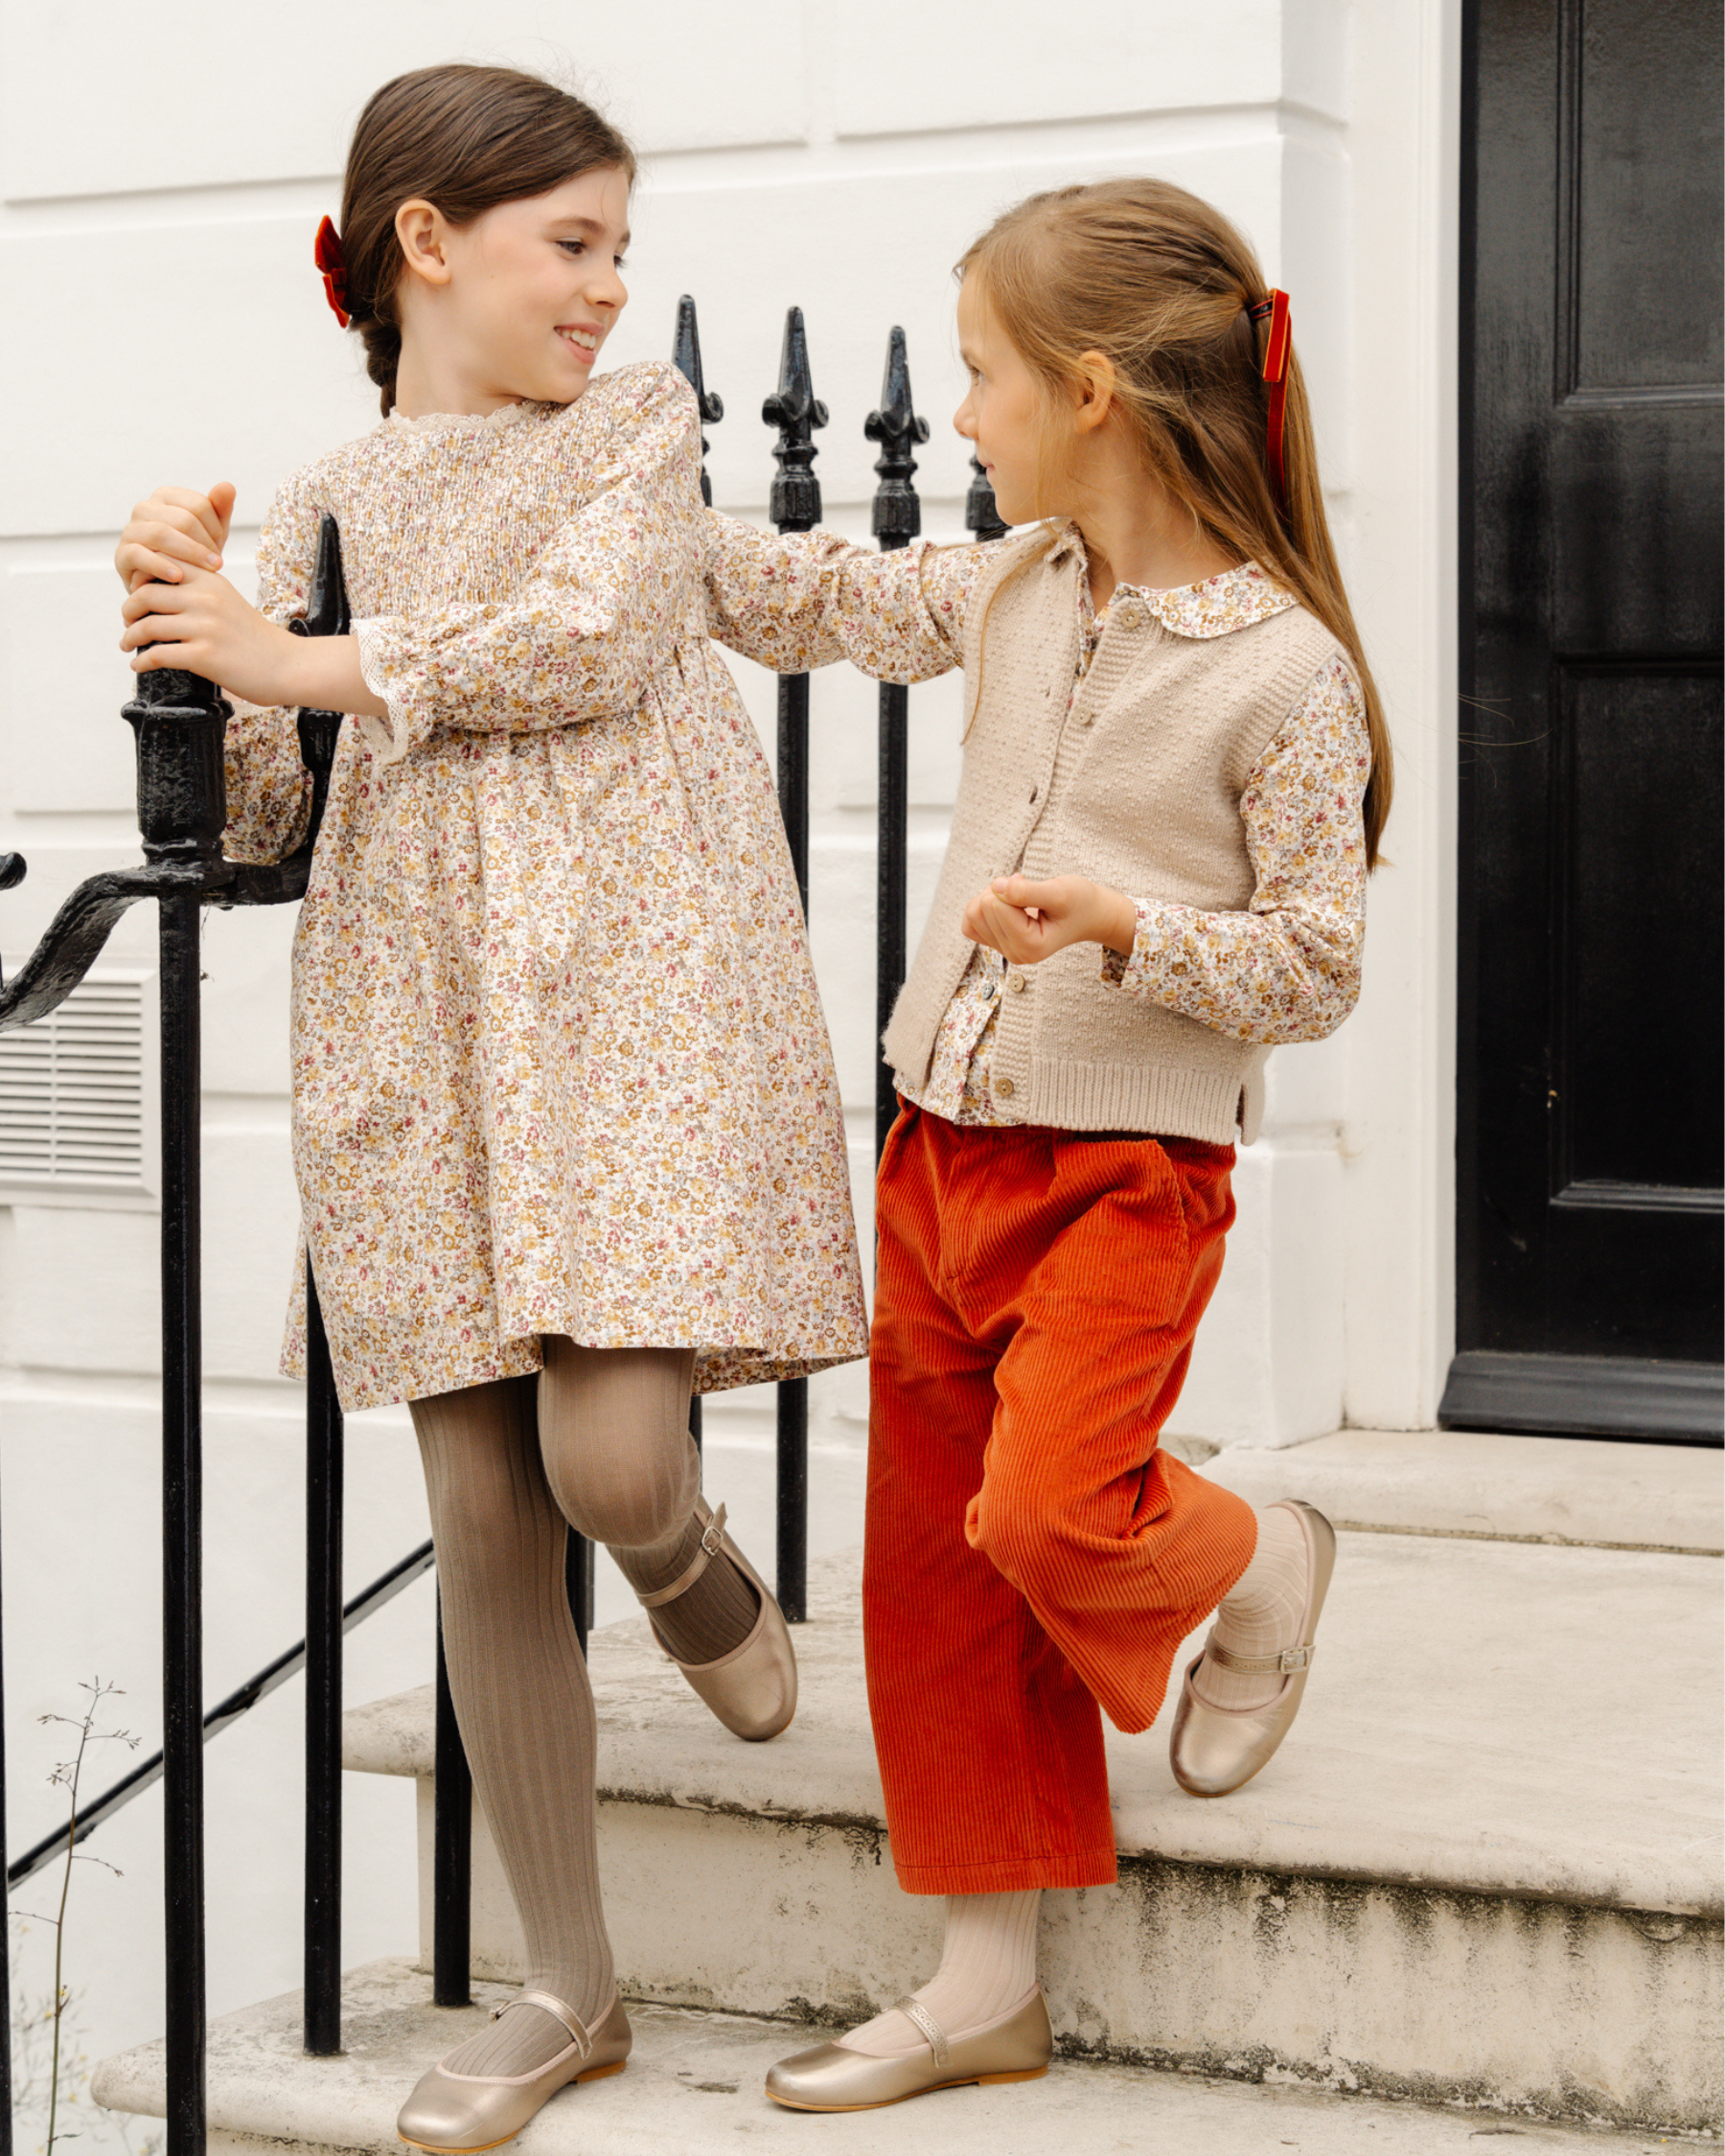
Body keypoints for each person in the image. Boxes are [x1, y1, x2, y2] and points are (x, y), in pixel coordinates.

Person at [112, 61, 866, 2154]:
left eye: (623, 247)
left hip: (624, 997)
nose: (612, 289)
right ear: (429, 243)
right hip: (419, 1026)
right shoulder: (322, 498)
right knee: (478, 1509)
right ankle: (566, 1988)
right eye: (576, 243)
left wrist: (307, 657)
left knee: (614, 1464)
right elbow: (264, 809)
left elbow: (594, 641)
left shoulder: (637, 436)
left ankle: (700, 1564)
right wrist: (183, 639)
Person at [703, 174, 1391, 2111]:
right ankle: (984, 1982)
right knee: (935, 1572)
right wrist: (612, 515)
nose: (968, 408)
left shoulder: (1285, 671)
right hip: (940, 1145)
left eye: (990, 374)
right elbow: (820, 593)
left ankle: (1255, 1563)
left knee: (1051, 1513)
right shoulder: (1018, 585)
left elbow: (1319, 965)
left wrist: (1121, 927)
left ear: (1097, 394)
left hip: (1125, 1174)